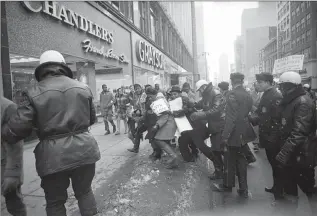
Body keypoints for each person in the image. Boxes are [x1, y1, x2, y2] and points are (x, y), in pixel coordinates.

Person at [1, 50, 100, 216]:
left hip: (52, 157)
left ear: (41, 68)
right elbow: (91, 119)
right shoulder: (83, 88)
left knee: (55, 202)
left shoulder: (32, 92)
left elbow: (17, 129)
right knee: (85, 193)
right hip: (85, 150)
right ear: (63, 65)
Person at [275, 71, 316, 214]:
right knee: (290, 186)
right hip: (292, 151)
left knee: (307, 188)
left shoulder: (302, 102)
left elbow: (299, 132)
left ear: (289, 86)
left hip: (301, 152)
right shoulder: (290, 100)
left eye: (282, 86)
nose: (280, 89)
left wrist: (283, 153)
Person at [213, 73, 255, 198]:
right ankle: (243, 188)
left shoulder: (231, 94)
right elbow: (247, 112)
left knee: (229, 159)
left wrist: (225, 137)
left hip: (233, 133)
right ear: (242, 81)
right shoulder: (248, 94)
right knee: (241, 159)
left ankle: (227, 186)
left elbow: (231, 118)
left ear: (231, 81)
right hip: (243, 132)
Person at [248, 73, 283, 200]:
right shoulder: (266, 94)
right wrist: (251, 117)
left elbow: (277, 120)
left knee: (277, 164)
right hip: (267, 135)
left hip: (273, 137)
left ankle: (280, 192)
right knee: (273, 164)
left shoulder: (275, 95)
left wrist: (272, 138)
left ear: (268, 82)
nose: (258, 84)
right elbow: (261, 114)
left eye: (261, 82)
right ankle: (276, 187)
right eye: (258, 82)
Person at [190, 80, 226, 180]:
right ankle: (222, 169)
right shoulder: (207, 94)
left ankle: (220, 171)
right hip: (213, 125)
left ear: (204, 86)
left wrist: (200, 114)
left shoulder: (215, 93)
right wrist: (193, 104)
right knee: (214, 148)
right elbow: (201, 103)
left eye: (200, 89)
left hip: (219, 125)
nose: (200, 91)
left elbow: (216, 110)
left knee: (217, 149)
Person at [1, 96, 27, 216]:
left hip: (4, 165)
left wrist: (12, 173)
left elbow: (15, 144)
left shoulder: (7, 107)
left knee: (14, 204)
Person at [145, 87, 180, 169]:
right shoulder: (160, 99)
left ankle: (173, 157)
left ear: (154, 94)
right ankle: (172, 158)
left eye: (150, 96)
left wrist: (157, 125)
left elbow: (164, 115)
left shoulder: (158, 101)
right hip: (169, 122)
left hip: (168, 122)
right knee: (165, 140)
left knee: (158, 139)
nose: (150, 98)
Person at [127, 84, 147, 153]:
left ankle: (157, 151)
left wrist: (141, 111)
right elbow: (134, 105)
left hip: (147, 116)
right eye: (136, 89)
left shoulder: (144, 94)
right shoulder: (134, 95)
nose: (137, 90)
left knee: (149, 133)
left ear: (141, 88)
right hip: (139, 116)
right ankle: (135, 148)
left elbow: (144, 106)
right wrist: (135, 111)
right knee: (137, 132)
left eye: (138, 88)